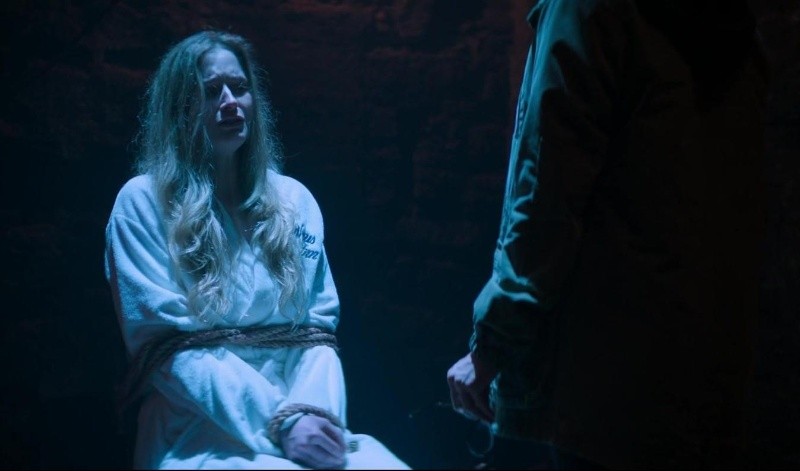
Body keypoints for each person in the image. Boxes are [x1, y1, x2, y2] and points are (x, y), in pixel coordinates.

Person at [447, 0, 768, 469]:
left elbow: (547, 194)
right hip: (701, 376)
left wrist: (494, 343)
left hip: (596, 379)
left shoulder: (584, 11)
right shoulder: (734, 23)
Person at [104, 30, 410, 470]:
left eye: (239, 87)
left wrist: (310, 417)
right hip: (197, 428)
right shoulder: (143, 204)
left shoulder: (293, 201)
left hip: (303, 415)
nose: (230, 102)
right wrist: (278, 423)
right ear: (180, 106)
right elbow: (169, 350)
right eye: (211, 91)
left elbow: (316, 332)